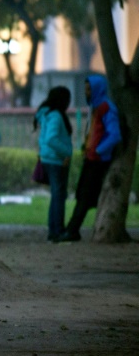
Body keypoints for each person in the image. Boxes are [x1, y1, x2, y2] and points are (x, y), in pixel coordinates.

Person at [59, 75, 122, 242]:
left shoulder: (106, 108)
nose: (86, 92)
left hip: (98, 160)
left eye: (89, 89)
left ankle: (72, 230)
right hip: (91, 158)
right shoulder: (96, 108)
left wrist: (100, 150)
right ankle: (72, 229)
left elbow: (114, 134)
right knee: (82, 194)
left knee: (85, 196)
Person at [33, 87, 73, 241]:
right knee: (58, 196)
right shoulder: (56, 116)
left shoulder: (47, 114)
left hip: (48, 158)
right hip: (57, 160)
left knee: (56, 196)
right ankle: (58, 231)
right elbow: (51, 138)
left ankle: (53, 230)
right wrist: (67, 152)